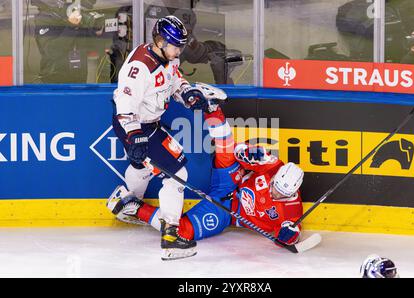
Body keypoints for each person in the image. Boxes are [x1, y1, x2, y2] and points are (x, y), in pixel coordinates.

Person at [107, 104, 305, 256]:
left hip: (229, 214)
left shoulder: (292, 209)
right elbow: (240, 151)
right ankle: (212, 109)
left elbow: (288, 236)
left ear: (291, 193)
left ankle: (131, 205)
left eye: (280, 194)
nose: (274, 191)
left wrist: (289, 235)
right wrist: (246, 152)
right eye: (274, 186)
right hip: (231, 182)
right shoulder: (274, 166)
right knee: (226, 151)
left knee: (182, 232)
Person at [110, 15, 228, 261]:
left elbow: (174, 80)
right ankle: (171, 237)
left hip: (148, 125)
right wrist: (135, 136)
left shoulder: (168, 57)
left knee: (142, 167)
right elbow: (124, 104)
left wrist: (186, 93)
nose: (180, 50)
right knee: (179, 173)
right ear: (161, 41)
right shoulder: (139, 67)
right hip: (135, 125)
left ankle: (125, 202)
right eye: (176, 45)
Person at [31, 0, 105, 83]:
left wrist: (95, 32)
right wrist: (71, 26)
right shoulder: (44, 18)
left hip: (79, 76)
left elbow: (89, 45)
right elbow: (51, 51)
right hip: (54, 78)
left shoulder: (72, 11)